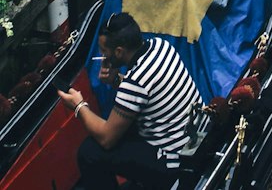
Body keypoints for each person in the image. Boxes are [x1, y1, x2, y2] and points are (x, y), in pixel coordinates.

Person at [57, 11, 203, 190]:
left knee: (90, 151)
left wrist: (79, 106)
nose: (103, 57)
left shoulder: (135, 82)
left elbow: (106, 138)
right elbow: (146, 91)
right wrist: (115, 80)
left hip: (173, 163)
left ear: (118, 52)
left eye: (104, 51)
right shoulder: (161, 46)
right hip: (195, 139)